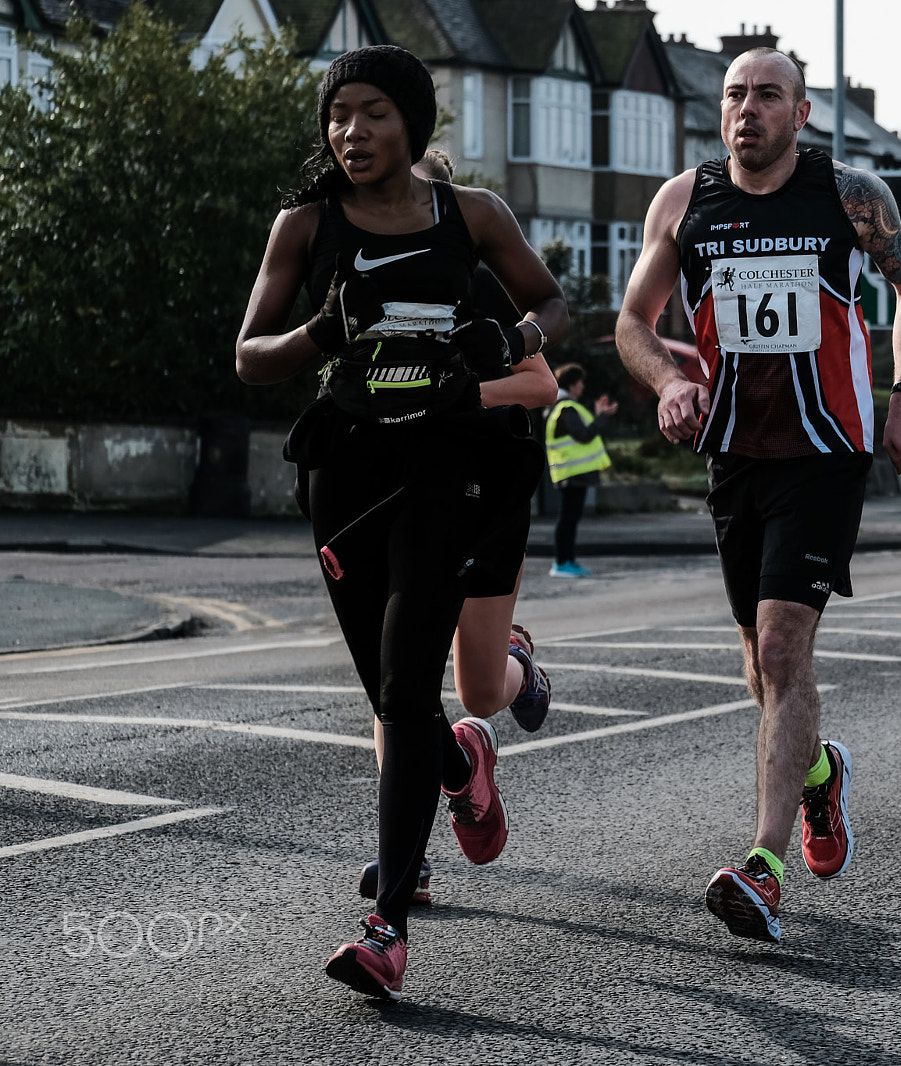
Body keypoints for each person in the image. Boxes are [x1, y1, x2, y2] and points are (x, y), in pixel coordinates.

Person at [236, 45, 568, 997]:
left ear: (413, 122)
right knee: (403, 701)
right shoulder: (303, 225)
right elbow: (252, 356)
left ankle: (388, 923)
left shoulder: (472, 217)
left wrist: (511, 337)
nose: (352, 132)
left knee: (401, 687)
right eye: (338, 115)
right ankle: (462, 764)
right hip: (346, 477)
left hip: (447, 469)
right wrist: (322, 333)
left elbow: (551, 305)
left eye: (373, 112)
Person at [614, 48, 901, 942]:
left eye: (767, 96)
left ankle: (762, 864)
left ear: (801, 113)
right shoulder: (683, 202)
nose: (746, 110)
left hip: (826, 453)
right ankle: (820, 780)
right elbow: (632, 323)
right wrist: (667, 385)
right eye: (734, 96)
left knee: (786, 651)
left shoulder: (849, 193)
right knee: (758, 665)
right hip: (734, 457)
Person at [350, 148, 558, 908]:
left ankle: (517, 669)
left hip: (488, 493)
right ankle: (407, 860)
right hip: (401, 498)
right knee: (395, 683)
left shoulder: (474, 282)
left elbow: (541, 384)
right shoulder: (357, 282)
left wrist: (457, 390)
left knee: (476, 688)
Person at [546, 362, 617, 577]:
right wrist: (602, 417)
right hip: (572, 474)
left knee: (569, 519)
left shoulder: (562, 406)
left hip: (572, 474)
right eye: (581, 383)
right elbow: (584, 435)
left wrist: (599, 414)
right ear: (573, 384)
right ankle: (562, 563)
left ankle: (567, 561)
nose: (583, 387)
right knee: (567, 520)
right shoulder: (566, 407)